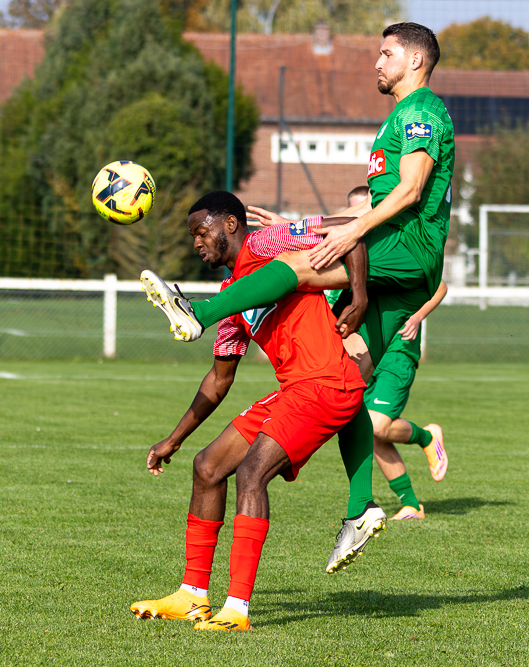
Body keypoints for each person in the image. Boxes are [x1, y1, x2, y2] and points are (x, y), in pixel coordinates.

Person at [141, 22, 455, 518]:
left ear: (415, 60)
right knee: (348, 378)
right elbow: (373, 205)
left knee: (294, 264)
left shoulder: (418, 112)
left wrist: (351, 233)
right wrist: (316, 226)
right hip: (399, 256)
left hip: (406, 247)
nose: (377, 62)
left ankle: (198, 311)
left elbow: (411, 191)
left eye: (386, 53)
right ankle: (361, 508)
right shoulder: (400, 116)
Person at [133, 191, 385, 632]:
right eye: (193, 236)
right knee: (208, 467)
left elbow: (350, 228)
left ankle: (237, 609)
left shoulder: (266, 243)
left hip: (326, 384)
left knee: (252, 473)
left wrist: (359, 296)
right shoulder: (235, 299)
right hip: (293, 390)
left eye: (201, 231)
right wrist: (174, 439)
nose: (197, 242)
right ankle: (192, 594)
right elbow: (218, 380)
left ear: (230, 223)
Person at [254, 186, 449, 521]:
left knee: (374, 424)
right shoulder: (350, 248)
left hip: (396, 346)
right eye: (353, 214)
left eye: (364, 212)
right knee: (360, 421)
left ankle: (426, 435)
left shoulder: (392, 246)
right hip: (360, 343)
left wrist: (416, 317)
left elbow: (439, 284)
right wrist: (285, 226)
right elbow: (320, 239)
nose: (359, 220)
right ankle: (410, 503)